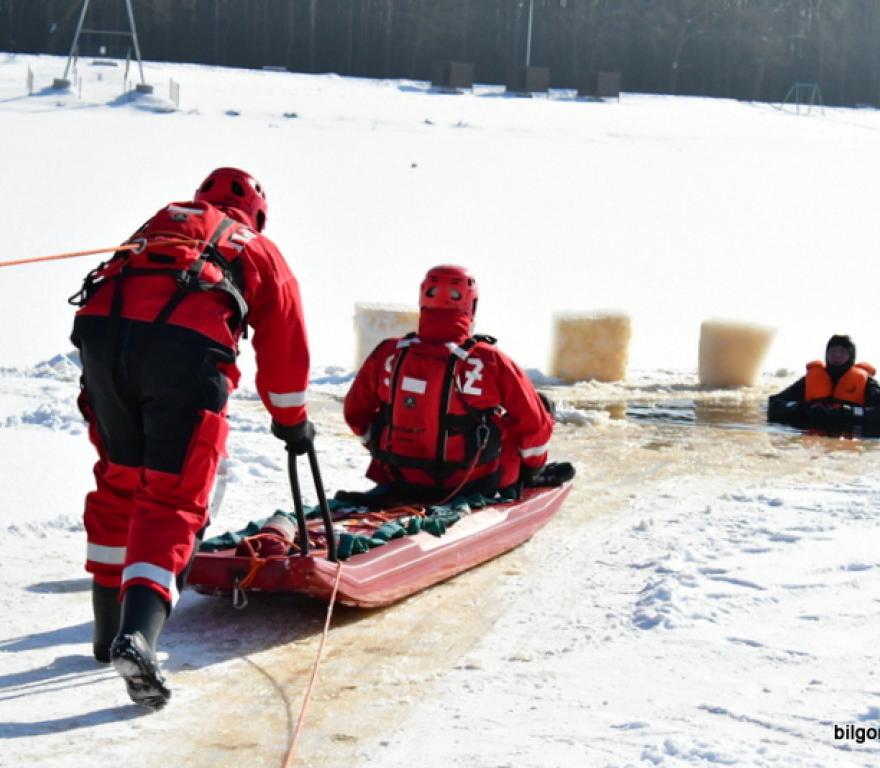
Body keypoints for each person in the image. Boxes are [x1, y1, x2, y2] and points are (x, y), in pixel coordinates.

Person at [69, 167, 314, 710]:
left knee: (119, 482)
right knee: (172, 496)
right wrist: (292, 420)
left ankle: (105, 633)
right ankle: (138, 640)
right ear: (259, 215)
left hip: (102, 338)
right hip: (185, 347)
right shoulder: (258, 248)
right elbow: (285, 344)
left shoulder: (162, 222)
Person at [343, 264, 566, 505]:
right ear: (471, 305)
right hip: (469, 484)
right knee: (539, 405)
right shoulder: (489, 359)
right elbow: (533, 424)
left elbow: (355, 413)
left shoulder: (388, 353)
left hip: (397, 478)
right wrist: (533, 468)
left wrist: (383, 450)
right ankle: (527, 482)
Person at [767, 333, 880, 435]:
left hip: (850, 435)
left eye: (842, 352)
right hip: (814, 434)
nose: (836, 355)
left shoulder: (866, 382)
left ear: (851, 356)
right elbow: (775, 403)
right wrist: (801, 408)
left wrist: (851, 413)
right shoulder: (810, 379)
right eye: (833, 351)